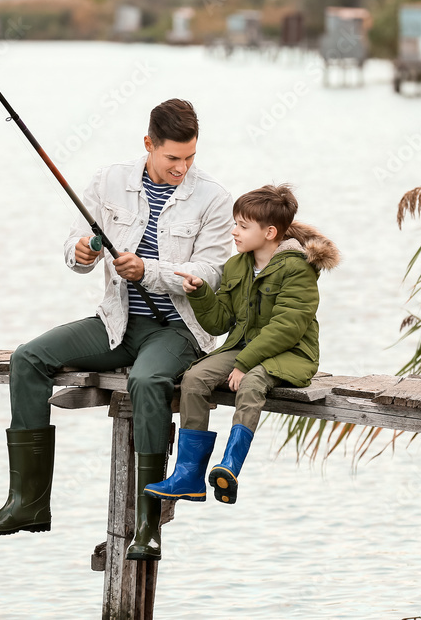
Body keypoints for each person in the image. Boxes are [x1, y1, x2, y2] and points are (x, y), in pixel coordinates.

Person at [0, 99, 234, 563]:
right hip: (116, 324)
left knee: (146, 380)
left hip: (176, 332)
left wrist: (149, 272)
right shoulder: (109, 180)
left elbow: (210, 272)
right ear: (148, 144)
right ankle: (28, 504)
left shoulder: (213, 197)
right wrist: (83, 253)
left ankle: (147, 526)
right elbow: (73, 255)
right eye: (173, 157)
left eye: (190, 158)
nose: (182, 168)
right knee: (28, 358)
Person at [144, 184, 339, 505]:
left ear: (270, 232)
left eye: (242, 226)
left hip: (290, 354)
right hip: (243, 349)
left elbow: (287, 328)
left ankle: (230, 467)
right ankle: (188, 476)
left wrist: (243, 364)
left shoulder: (298, 269)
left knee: (252, 383)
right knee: (194, 379)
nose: (233, 232)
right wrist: (201, 294)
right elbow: (220, 323)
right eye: (235, 223)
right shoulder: (237, 266)